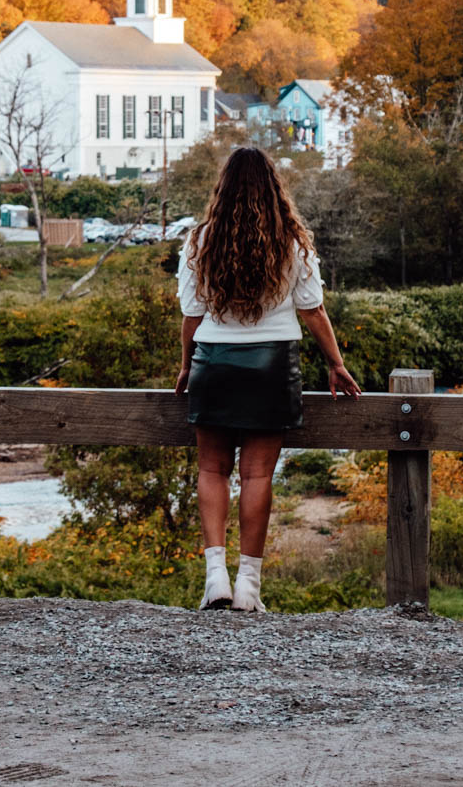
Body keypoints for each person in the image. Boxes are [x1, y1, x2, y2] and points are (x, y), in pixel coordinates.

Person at [175, 146, 361, 613]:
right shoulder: (293, 243)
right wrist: (336, 363)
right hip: (272, 365)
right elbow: (313, 310)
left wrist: (185, 366)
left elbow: (192, 317)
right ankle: (248, 587)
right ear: (273, 188)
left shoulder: (199, 241)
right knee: (257, 474)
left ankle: (214, 577)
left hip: (213, 362)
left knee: (211, 469)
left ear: (222, 190)